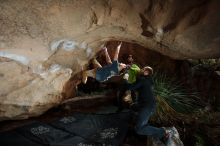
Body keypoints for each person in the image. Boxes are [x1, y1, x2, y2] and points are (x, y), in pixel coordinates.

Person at [125, 66, 173, 141]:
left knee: (139, 129)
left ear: (146, 73)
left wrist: (126, 79)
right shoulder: (148, 80)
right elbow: (137, 81)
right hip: (144, 105)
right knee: (132, 107)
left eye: (143, 69)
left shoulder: (143, 80)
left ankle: (162, 131)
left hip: (147, 107)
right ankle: (141, 122)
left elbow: (131, 87)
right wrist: (128, 68)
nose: (141, 69)